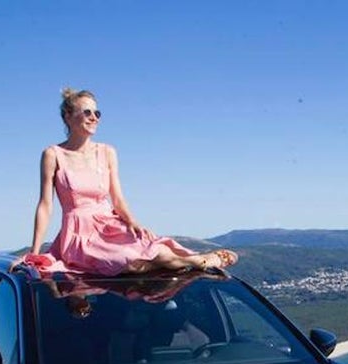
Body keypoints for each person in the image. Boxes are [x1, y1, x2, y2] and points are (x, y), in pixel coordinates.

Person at [26, 88, 237, 275]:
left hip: (111, 225)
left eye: (97, 113)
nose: (94, 118)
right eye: (87, 112)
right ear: (68, 117)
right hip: (79, 234)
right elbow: (45, 205)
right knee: (130, 263)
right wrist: (34, 252)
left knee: (157, 253)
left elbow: (117, 198)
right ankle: (197, 261)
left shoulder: (107, 152)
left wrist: (133, 223)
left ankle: (194, 260)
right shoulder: (53, 154)